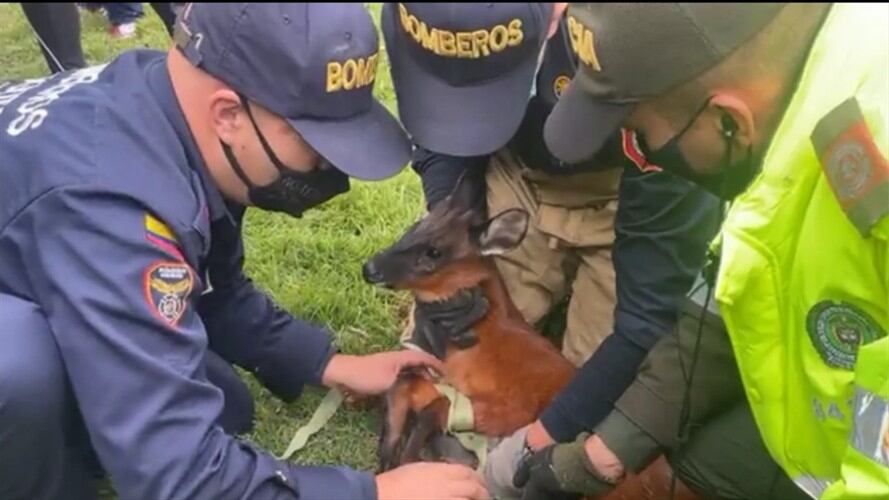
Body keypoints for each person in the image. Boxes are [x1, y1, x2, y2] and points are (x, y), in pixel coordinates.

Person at [0, 3, 488, 500]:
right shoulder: (111, 207)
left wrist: (328, 363)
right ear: (228, 113)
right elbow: (181, 478)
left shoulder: (167, 111)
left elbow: (214, 287)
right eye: (315, 143)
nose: (326, 167)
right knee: (17, 365)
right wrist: (373, 494)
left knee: (225, 405)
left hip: (35, 257)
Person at [513, 3, 888, 499]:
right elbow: (730, 301)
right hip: (848, 401)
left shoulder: (873, 165)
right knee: (702, 457)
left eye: (643, 138)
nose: (641, 156)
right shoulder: (791, 110)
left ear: (728, 121)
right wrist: (599, 457)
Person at [381, 3, 720, 494]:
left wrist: (539, 439)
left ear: (558, 14)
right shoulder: (423, 18)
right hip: (516, 178)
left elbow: (644, 317)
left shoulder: (655, 50)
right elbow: (440, 131)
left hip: (626, 194)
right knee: (441, 358)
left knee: (598, 403)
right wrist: (454, 234)